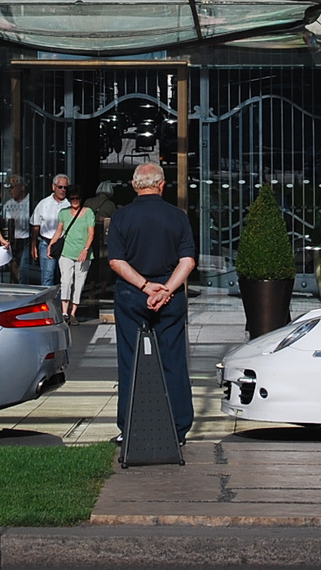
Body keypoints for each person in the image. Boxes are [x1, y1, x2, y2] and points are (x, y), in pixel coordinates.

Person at [108, 162, 196, 445]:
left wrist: (145, 286)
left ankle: (130, 427)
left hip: (132, 295)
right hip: (170, 296)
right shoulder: (177, 217)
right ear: (161, 185)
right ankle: (179, 428)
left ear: (135, 185)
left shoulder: (122, 217)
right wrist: (167, 289)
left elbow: (116, 261)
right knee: (173, 360)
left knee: (130, 361)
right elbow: (188, 261)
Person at [50, 185, 95, 324]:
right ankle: (65, 312)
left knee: (79, 283)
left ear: (81, 199)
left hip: (84, 253)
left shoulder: (88, 212)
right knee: (66, 281)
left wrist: (86, 249)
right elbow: (59, 231)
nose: (75, 201)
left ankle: (73, 312)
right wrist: (51, 245)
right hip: (66, 252)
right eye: (72, 198)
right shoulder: (63, 213)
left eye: (77, 198)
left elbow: (91, 233)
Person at [30, 175, 69, 287]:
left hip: (64, 244)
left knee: (65, 277)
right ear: (53, 187)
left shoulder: (70, 205)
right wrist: (34, 245)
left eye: (65, 187)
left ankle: (63, 302)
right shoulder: (44, 204)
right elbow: (35, 224)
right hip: (46, 242)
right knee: (47, 276)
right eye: (60, 187)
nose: (63, 190)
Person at [0, 174, 31, 284]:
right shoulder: (8, 205)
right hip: (13, 241)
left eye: (12, 187)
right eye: (8, 187)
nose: (9, 190)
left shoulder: (30, 203)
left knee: (24, 269)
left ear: (21, 187)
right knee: (13, 270)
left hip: (26, 239)